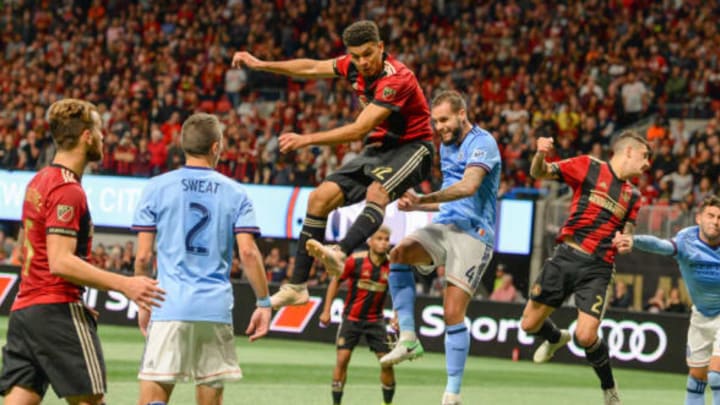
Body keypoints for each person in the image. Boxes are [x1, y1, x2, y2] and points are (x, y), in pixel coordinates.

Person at [232, 20, 434, 308]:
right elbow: (311, 67)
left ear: (381, 47)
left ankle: (340, 252)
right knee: (318, 199)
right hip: (377, 149)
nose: (362, 62)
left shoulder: (397, 79)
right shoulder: (351, 65)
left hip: (413, 148)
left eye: (367, 54)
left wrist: (307, 139)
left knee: (378, 192)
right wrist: (262, 64)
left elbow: (357, 130)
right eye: (356, 56)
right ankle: (297, 286)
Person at [0, 99, 165, 405]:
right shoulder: (68, 190)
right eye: (100, 131)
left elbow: (31, 249)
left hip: (26, 312)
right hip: (54, 309)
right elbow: (60, 260)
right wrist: (125, 284)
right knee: (90, 402)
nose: (104, 138)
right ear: (87, 136)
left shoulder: (39, 180)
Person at [132, 113, 272, 405]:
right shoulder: (236, 192)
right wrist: (263, 302)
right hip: (214, 307)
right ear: (215, 147)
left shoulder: (156, 187)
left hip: (167, 303)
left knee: (153, 396)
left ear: (183, 146)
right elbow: (248, 252)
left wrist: (143, 302)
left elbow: (143, 256)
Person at [378, 90, 501, 405]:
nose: (440, 127)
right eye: (436, 121)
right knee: (399, 253)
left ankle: (452, 394)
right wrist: (418, 206)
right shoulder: (445, 145)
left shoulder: (482, 143)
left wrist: (422, 201)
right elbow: (450, 194)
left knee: (451, 313)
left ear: (462, 113)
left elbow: (468, 186)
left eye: (445, 120)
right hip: (445, 226)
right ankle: (407, 338)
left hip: (474, 234)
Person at [519, 130, 651, 405]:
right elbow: (539, 173)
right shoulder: (589, 166)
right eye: (645, 155)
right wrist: (541, 153)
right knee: (529, 324)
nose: (647, 163)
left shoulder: (633, 195)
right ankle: (555, 338)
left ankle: (609, 389)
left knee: (586, 334)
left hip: (598, 267)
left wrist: (625, 242)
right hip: (566, 255)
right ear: (628, 151)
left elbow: (626, 230)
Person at [614, 195, 720, 405]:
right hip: (701, 314)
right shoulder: (686, 240)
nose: (716, 221)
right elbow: (660, 245)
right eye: (711, 215)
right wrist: (634, 240)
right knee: (695, 381)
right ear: (698, 218)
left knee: (716, 376)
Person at [319, 226, 395, 405]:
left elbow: (400, 292)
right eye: (379, 239)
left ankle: (388, 403)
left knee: (387, 362)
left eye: (386, 239)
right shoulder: (355, 261)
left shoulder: (392, 266)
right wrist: (326, 310)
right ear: (370, 241)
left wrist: (398, 314)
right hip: (351, 319)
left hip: (375, 321)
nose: (384, 243)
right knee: (342, 359)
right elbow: (336, 281)